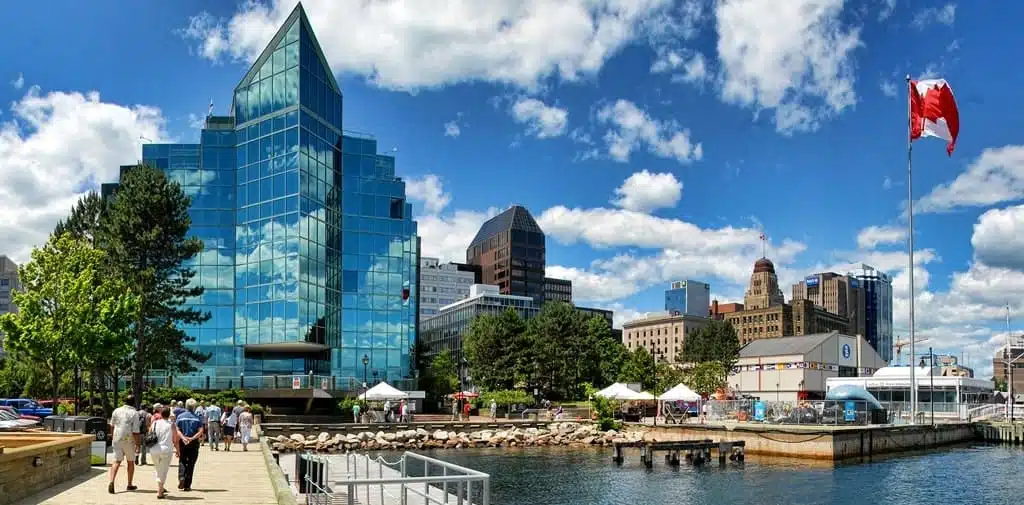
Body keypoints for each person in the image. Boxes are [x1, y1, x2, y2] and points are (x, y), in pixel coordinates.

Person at [108, 394, 141, 494]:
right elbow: (135, 431)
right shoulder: (134, 413)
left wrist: (112, 436)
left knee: (116, 461)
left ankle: (111, 481)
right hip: (128, 439)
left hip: (117, 438)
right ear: (134, 402)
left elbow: (112, 425)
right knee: (130, 462)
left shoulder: (116, 411)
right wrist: (138, 444)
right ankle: (129, 484)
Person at [174, 399, 205, 492]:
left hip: (183, 442)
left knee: (182, 460)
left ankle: (182, 477)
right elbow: (200, 431)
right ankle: (187, 485)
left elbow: (177, 430)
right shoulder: (197, 418)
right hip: (193, 443)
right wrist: (192, 438)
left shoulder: (180, 416)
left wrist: (183, 438)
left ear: (186, 406)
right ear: (194, 407)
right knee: (191, 463)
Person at [149, 406, 176, 499]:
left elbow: (150, 433)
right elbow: (175, 439)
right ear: (169, 415)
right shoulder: (171, 424)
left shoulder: (155, 423)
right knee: (163, 470)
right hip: (166, 450)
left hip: (154, 449)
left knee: (158, 469)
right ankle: (160, 492)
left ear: (160, 414)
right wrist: (178, 450)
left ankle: (161, 487)